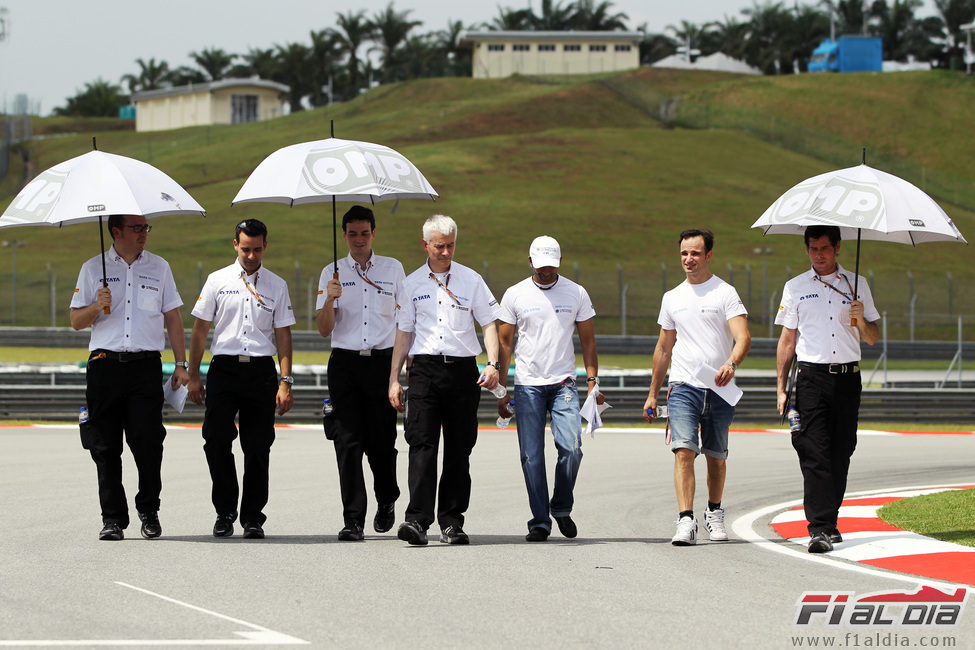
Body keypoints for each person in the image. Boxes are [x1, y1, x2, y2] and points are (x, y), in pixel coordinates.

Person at [69, 214, 189, 541]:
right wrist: (96, 306)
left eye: (146, 228)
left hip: (145, 366)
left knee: (149, 442)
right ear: (116, 231)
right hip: (105, 365)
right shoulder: (93, 268)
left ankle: (149, 509)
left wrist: (181, 364)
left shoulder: (159, 267)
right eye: (137, 228)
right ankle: (112, 518)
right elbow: (76, 320)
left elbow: (173, 317)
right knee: (105, 447)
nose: (143, 234)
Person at [387, 214, 502, 546]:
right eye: (440, 246)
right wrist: (393, 379)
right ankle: (417, 521)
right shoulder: (410, 284)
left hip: (464, 371)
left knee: (459, 448)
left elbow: (489, 324)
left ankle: (452, 521)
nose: (446, 252)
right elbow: (403, 333)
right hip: (423, 370)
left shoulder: (471, 280)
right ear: (425, 245)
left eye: (451, 245)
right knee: (421, 444)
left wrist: (493, 364)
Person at [187, 218, 295, 540]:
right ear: (235, 245)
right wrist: (193, 374)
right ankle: (224, 511)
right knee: (216, 439)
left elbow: (283, 335)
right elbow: (200, 330)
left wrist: (285, 381)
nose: (251, 255)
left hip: (261, 371)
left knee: (258, 445)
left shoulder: (277, 285)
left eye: (257, 249)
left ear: (265, 246)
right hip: (224, 368)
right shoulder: (217, 280)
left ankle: (252, 517)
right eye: (245, 249)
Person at [774, 225, 880, 554]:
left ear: (837, 248)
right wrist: (780, 387)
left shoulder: (857, 283)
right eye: (812, 249)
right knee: (813, 450)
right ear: (807, 250)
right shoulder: (795, 287)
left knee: (841, 450)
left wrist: (861, 318)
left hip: (848, 378)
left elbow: (873, 338)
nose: (818, 255)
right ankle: (819, 527)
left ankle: (829, 522)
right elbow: (787, 340)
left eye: (824, 248)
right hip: (810, 378)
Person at [642, 229, 750, 546]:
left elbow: (743, 338)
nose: (689, 260)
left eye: (695, 254)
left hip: (718, 388)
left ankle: (713, 512)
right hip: (683, 387)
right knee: (684, 451)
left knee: (716, 457)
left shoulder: (725, 293)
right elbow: (663, 348)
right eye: (684, 254)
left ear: (708, 256)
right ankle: (685, 520)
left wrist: (731, 363)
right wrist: (652, 393)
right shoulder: (672, 297)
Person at [497, 235, 602, 542]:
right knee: (531, 456)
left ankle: (561, 507)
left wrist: (593, 381)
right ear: (530, 262)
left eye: (551, 266)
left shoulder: (576, 293)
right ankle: (540, 521)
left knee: (572, 448)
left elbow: (588, 341)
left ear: (560, 262)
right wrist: (502, 391)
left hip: (563, 383)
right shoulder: (515, 294)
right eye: (540, 266)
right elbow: (504, 344)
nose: (545, 271)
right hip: (528, 384)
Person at [316, 205, 404, 541]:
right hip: (345, 364)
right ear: (344, 235)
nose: (358, 239)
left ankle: (387, 498)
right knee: (347, 442)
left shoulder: (392, 269)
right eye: (352, 233)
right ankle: (353, 519)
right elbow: (324, 329)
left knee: (382, 443)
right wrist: (329, 301)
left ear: (373, 233)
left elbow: (403, 322)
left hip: (381, 364)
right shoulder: (332, 272)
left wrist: (398, 371)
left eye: (364, 233)